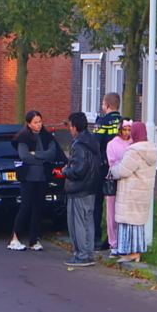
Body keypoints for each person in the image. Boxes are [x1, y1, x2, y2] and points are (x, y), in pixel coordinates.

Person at [8, 110, 64, 252]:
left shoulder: (47, 136)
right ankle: (15, 238)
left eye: (40, 121)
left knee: (39, 208)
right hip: (28, 177)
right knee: (25, 206)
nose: (38, 125)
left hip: (42, 177)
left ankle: (34, 240)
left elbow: (52, 153)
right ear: (29, 124)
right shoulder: (23, 138)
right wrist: (42, 159)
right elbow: (25, 156)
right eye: (35, 122)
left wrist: (37, 155)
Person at [110, 121, 157, 263]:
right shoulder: (151, 149)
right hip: (143, 191)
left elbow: (123, 171)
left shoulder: (134, 150)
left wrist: (113, 168)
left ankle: (131, 252)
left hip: (131, 191)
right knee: (137, 224)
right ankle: (136, 251)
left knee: (129, 223)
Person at [62, 112, 101, 267]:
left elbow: (78, 170)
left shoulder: (78, 145)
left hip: (78, 189)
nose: (70, 129)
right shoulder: (92, 141)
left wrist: (65, 170)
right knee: (88, 221)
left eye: (70, 126)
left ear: (75, 127)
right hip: (91, 188)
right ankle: (89, 253)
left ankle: (81, 255)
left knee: (76, 222)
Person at [93, 92, 122, 251]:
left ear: (106, 105)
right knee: (118, 202)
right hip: (122, 166)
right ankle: (116, 237)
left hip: (104, 165)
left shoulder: (103, 122)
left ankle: (96, 236)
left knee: (98, 201)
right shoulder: (124, 121)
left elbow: (95, 143)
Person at [104, 118, 133, 255]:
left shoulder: (134, 143)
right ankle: (113, 242)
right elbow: (112, 162)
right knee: (112, 212)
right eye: (124, 130)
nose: (127, 133)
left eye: (129, 130)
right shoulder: (112, 144)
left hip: (129, 183)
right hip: (115, 181)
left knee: (126, 213)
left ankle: (125, 242)